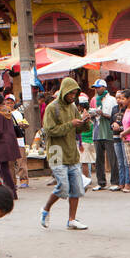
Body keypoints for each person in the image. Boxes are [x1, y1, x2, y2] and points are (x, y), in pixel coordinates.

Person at [40, 77, 89, 230]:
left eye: (75, 94)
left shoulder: (73, 107)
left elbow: (78, 129)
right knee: (63, 187)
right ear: (64, 92)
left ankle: (72, 219)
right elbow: (49, 130)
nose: (72, 96)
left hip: (71, 151)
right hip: (55, 151)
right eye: (70, 93)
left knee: (77, 188)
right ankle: (46, 209)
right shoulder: (51, 108)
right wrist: (71, 124)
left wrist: (85, 122)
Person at [0, 91, 21, 197]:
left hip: (1, 143)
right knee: (1, 167)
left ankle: (11, 191)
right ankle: (9, 190)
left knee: (3, 168)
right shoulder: (7, 110)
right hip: (9, 141)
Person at [89, 79, 117, 190]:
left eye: (98, 87)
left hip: (108, 132)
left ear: (104, 87)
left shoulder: (112, 100)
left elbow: (114, 116)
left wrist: (103, 114)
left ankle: (115, 181)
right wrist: (92, 114)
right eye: (95, 87)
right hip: (97, 131)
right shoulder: (94, 99)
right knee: (98, 159)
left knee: (112, 158)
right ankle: (101, 182)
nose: (97, 89)